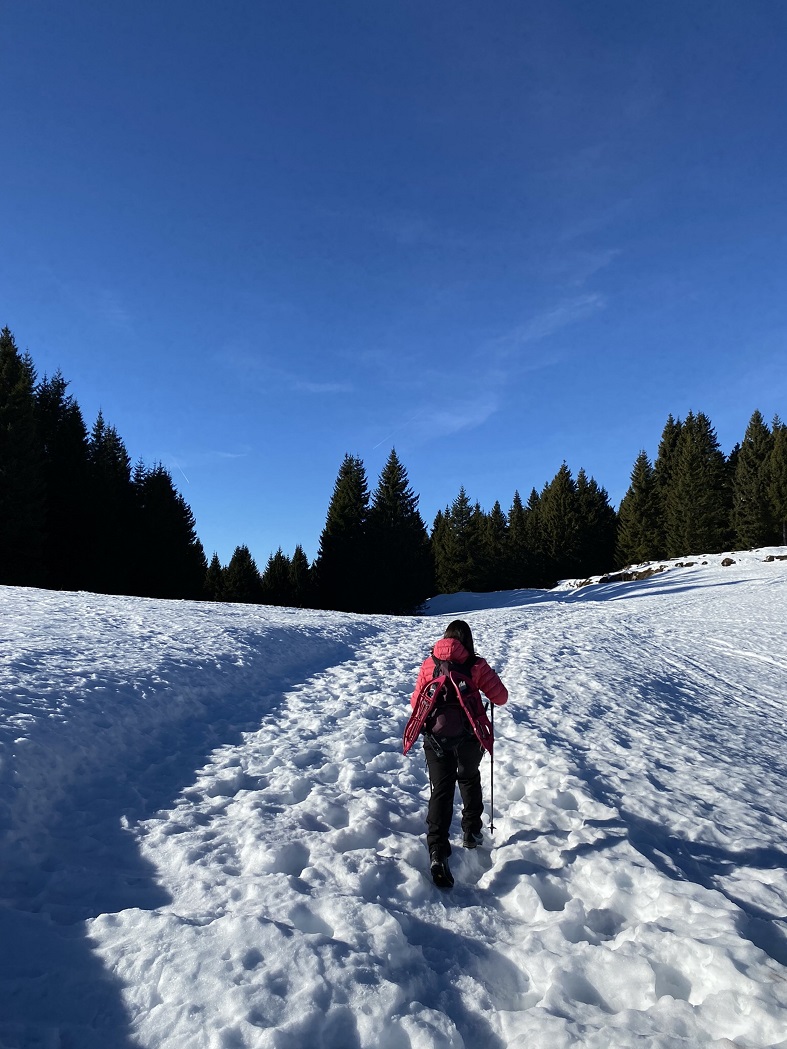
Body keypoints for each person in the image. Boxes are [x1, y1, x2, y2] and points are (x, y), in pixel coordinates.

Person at [410, 619, 508, 887]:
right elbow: (500, 698)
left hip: (435, 738)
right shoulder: (476, 665)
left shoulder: (430, 663)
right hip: (469, 736)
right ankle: (471, 831)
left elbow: (415, 700)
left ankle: (437, 851)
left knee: (441, 789)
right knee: (468, 777)